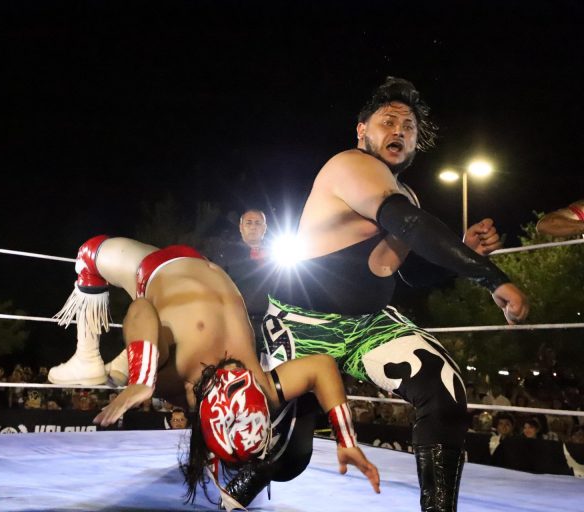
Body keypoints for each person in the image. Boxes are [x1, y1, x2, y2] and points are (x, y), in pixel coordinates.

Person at [263, 77, 530, 512]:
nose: (399, 132)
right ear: (361, 130)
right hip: (304, 323)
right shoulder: (349, 165)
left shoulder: (405, 193)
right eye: (388, 122)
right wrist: (490, 276)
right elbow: (409, 224)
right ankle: (236, 482)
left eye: (408, 127)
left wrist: (462, 249)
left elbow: (400, 272)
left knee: (443, 387)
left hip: (368, 323)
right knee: (284, 457)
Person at [49, 235, 379, 508]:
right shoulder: (241, 385)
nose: (234, 367)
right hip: (179, 268)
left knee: (96, 262)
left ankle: (102, 362)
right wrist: (347, 441)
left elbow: (141, 309)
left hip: (178, 271)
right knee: (96, 265)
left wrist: (144, 379)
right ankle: (103, 361)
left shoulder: (207, 381)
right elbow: (322, 367)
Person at [214, 209, 272, 355]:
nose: (253, 227)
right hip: (239, 323)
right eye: (249, 223)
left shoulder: (277, 253)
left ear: (265, 228)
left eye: (258, 223)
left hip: (272, 323)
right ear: (241, 227)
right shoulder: (227, 253)